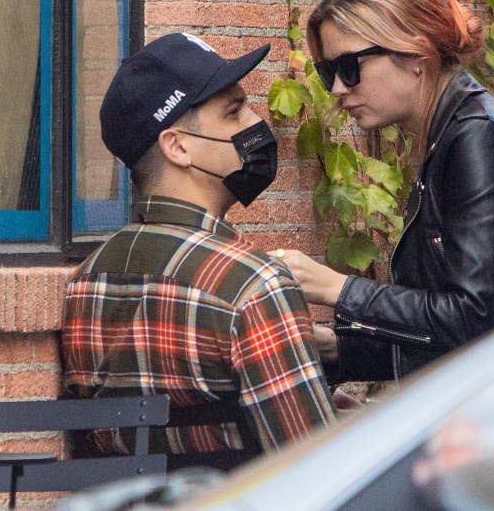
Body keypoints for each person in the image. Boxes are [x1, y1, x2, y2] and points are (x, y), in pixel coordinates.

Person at [272, 0, 494, 382]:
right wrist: (337, 346)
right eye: (329, 71)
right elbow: (444, 333)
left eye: (348, 67)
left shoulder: (477, 138)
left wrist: (338, 289)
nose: (337, 89)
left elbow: (473, 318)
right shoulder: (450, 132)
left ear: (415, 54)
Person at [62, 33, 336, 460]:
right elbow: (317, 466)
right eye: (234, 111)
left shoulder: (86, 284)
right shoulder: (255, 286)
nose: (255, 123)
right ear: (177, 146)